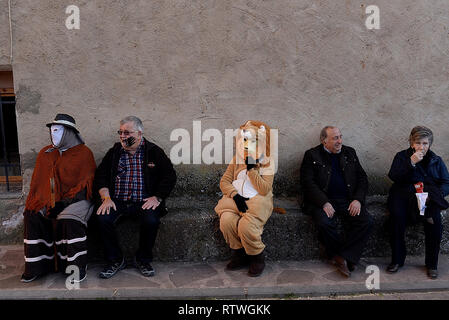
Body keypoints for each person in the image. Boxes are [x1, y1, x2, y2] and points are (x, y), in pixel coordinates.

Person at [94, 116, 176, 279]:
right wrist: (106, 197)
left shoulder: (153, 151)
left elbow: (169, 176)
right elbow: (100, 175)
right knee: (102, 218)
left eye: (127, 133)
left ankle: (143, 260)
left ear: (139, 133)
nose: (123, 136)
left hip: (143, 201)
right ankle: (115, 260)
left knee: (151, 221)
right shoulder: (115, 152)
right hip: (117, 201)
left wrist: (157, 198)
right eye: (121, 132)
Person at [21, 114, 96, 283]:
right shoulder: (46, 153)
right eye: (51, 131)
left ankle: (75, 268)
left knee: (68, 219)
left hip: (78, 199)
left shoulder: (83, 153)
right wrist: (51, 201)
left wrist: (63, 204)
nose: (52, 135)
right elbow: (48, 182)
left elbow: (85, 186)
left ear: (69, 133)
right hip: (52, 197)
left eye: (58, 131)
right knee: (32, 215)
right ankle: (37, 267)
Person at [300, 126, 373, 277]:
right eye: (335, 138)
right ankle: (345, 257)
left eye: (340, 137)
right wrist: (324, 202)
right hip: (323, 201)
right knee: (324, 222)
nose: (339, 141)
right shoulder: (312, 155)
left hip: (348, 200)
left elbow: (362, 179)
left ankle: (342, 256)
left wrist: (358, 200)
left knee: (366, 221)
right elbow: (307, 182)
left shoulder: (349, 152)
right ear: (324, 141)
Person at [215, 120, 276, 277]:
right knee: (227, 221)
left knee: (246, 227)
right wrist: (235, 196)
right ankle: (239, 253)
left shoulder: (267, 161)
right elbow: (224, 181)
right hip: (235, 201)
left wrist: (251, 170)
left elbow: (264, 189)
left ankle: (257, 257)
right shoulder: (236, 159)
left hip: (257, 201)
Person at [387, 126, 449, 279]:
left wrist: (437, 195)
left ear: (430, 144)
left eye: (425, 143)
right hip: (403, 195)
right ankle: (397, 261)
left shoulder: (436, 160)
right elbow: (393, 176)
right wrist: (411, 163)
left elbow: (446, 182)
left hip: (427, 196)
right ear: (411, 143)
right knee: (396, 219)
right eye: (418, 143)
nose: (422, 147)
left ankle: (432, 264)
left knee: (434, 222)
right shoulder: (402, 156)